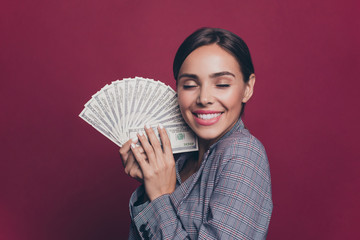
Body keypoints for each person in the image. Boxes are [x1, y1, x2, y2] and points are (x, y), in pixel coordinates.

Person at [119, 27, 273, 240]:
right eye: (190, 85)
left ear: (248, 87)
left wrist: (160, 196)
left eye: (221, 84)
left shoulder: (243, 152)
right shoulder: (179, 161)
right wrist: (149, 187)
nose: (204, 98)